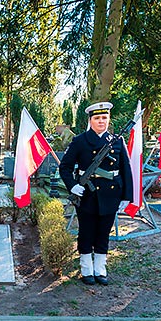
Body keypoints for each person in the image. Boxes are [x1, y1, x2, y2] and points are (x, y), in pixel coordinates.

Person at [59, 102, 133, 285]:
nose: (101, 121)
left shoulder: (117, 141)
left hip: (111, 194)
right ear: (90, 120)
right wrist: (73, 186)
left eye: (104, 118)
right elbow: (65, 167)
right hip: (87, 196)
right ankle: (86, 268)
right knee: (86, 232)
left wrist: (127, 196)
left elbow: (126, 169)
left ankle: (100, 268)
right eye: (97, 118)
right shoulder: (80, 141)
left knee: (103, 233)